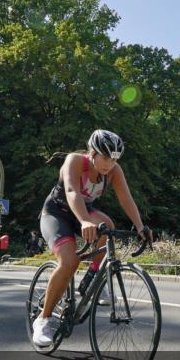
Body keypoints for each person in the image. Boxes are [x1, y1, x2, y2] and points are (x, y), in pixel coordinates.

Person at [32, 129, 152, 347]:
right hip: (57, 214)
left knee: (108, 229)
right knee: (69, 262)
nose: (109, 164)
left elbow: (126, 198)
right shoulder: (75, 161)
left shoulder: (114, 171)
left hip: (83, 213)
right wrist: (85, 220)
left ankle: (90, 281)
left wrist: (140, 226)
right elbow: (71, 191)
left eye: (114, 159)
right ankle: (43, 319)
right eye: (105, 158)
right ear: (92, 152)